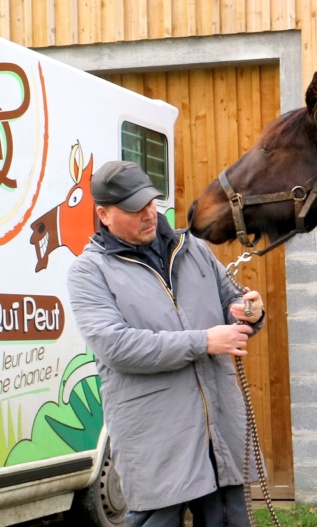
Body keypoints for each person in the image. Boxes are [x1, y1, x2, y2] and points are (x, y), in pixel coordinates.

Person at [67, 160, 265, 527]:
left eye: (150, 203)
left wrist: (249, 312)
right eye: (133, 208)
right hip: (157, 439)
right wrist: (204, 341)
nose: (148, 214)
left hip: (218, 430)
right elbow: (116, 347)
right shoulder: (88, 272)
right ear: (103, 215)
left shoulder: (195, 250)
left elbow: (231, 306)